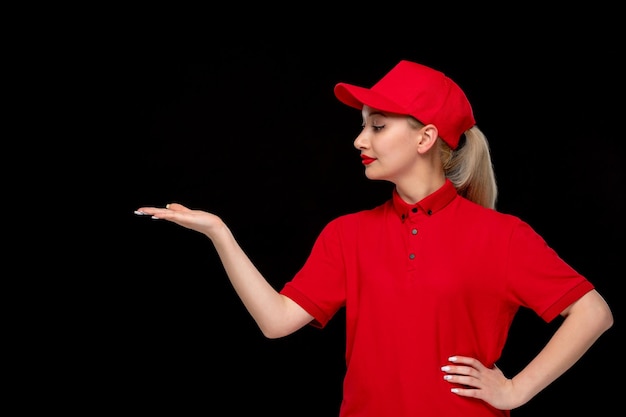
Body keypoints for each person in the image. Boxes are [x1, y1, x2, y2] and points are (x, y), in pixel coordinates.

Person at [134, 60, 613, 416]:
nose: (360, 140)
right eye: (363, 126)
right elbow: (276, 322)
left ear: (425, 138)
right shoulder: (347, 235)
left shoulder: (502, 236)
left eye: (377, 127)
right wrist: (220, 233)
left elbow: (593, 311)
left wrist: (516, 390)